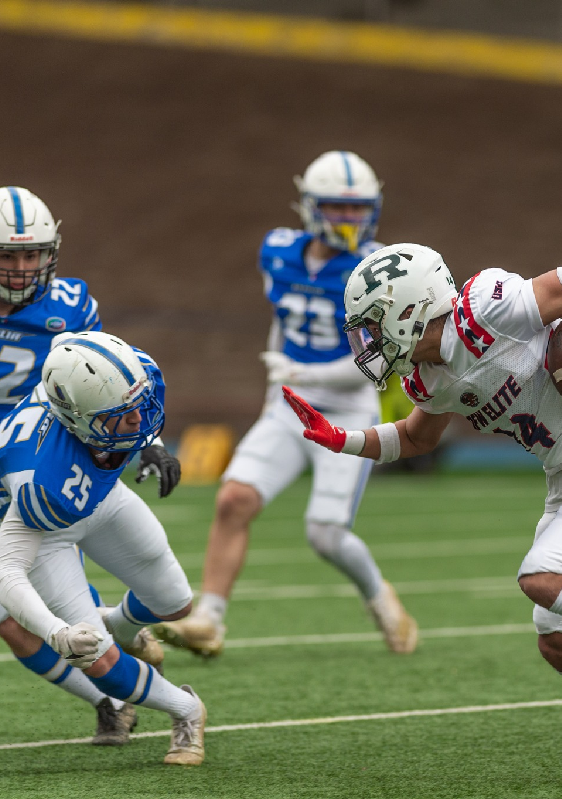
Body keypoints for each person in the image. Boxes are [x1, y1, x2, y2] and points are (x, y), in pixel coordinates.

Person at [283, 243, 562, 771]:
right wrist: (343, 439)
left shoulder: (486, 310)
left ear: (407, 309)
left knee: (540, 576)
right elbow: (417, 439)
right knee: (558, 639)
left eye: (373, 324)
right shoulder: (426, 377)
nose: (368, 340)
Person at [0, 187, 173, 745]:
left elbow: (110, 378)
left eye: (31, 254)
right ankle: (109, 700)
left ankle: (119, 640)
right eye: (6, 255)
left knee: (63, 603)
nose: (21, 267)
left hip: (36, 482)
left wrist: (151, 439)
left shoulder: (70, 307)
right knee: (11, 622)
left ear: (50, 252)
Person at [154, 151, 415, 658]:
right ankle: (208, 618)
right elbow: (283, 322)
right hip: (289, 403)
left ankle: (378, 594)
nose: (350, 219)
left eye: (359, 208)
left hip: (346, 410)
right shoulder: (277, 251)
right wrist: (279, 386)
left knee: (325, 535)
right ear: (310, 207)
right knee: (234, 499)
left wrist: (301, 372)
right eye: (339, 208)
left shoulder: (377, 269)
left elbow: (376, 361)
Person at [0, 332, 206, 765]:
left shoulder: (125, 376)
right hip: (45, 530)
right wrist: (56, 633)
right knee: (96, 661)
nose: (140, 421)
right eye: (122, 417)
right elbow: (6, 573)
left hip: (100, 496)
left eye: (140, 406)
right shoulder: (37, 473)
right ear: (79, 420)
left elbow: (74, 345)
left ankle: (121, 626)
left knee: (176, 603)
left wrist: (153, 447)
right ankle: (188, 710)